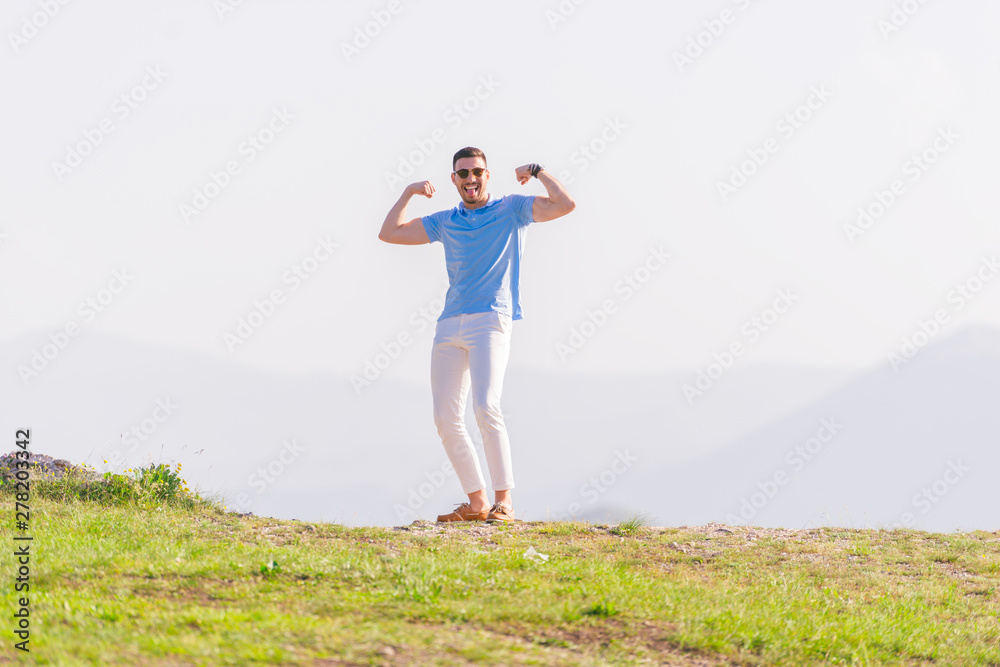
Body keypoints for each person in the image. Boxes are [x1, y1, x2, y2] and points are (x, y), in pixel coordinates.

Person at [378, 147, 576, 523]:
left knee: (486, 407)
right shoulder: (444, 221)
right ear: (454, 179)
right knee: (445, 419)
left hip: (491, 319)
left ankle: (504, 502)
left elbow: (565, 205)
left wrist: (537, 171)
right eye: (463, 174)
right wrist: (408, 193)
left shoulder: (512, 209)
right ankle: (477, 502)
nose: (471, 180)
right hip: (449, 324)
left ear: (488, 175)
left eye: (477, 173)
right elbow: (389, 233)